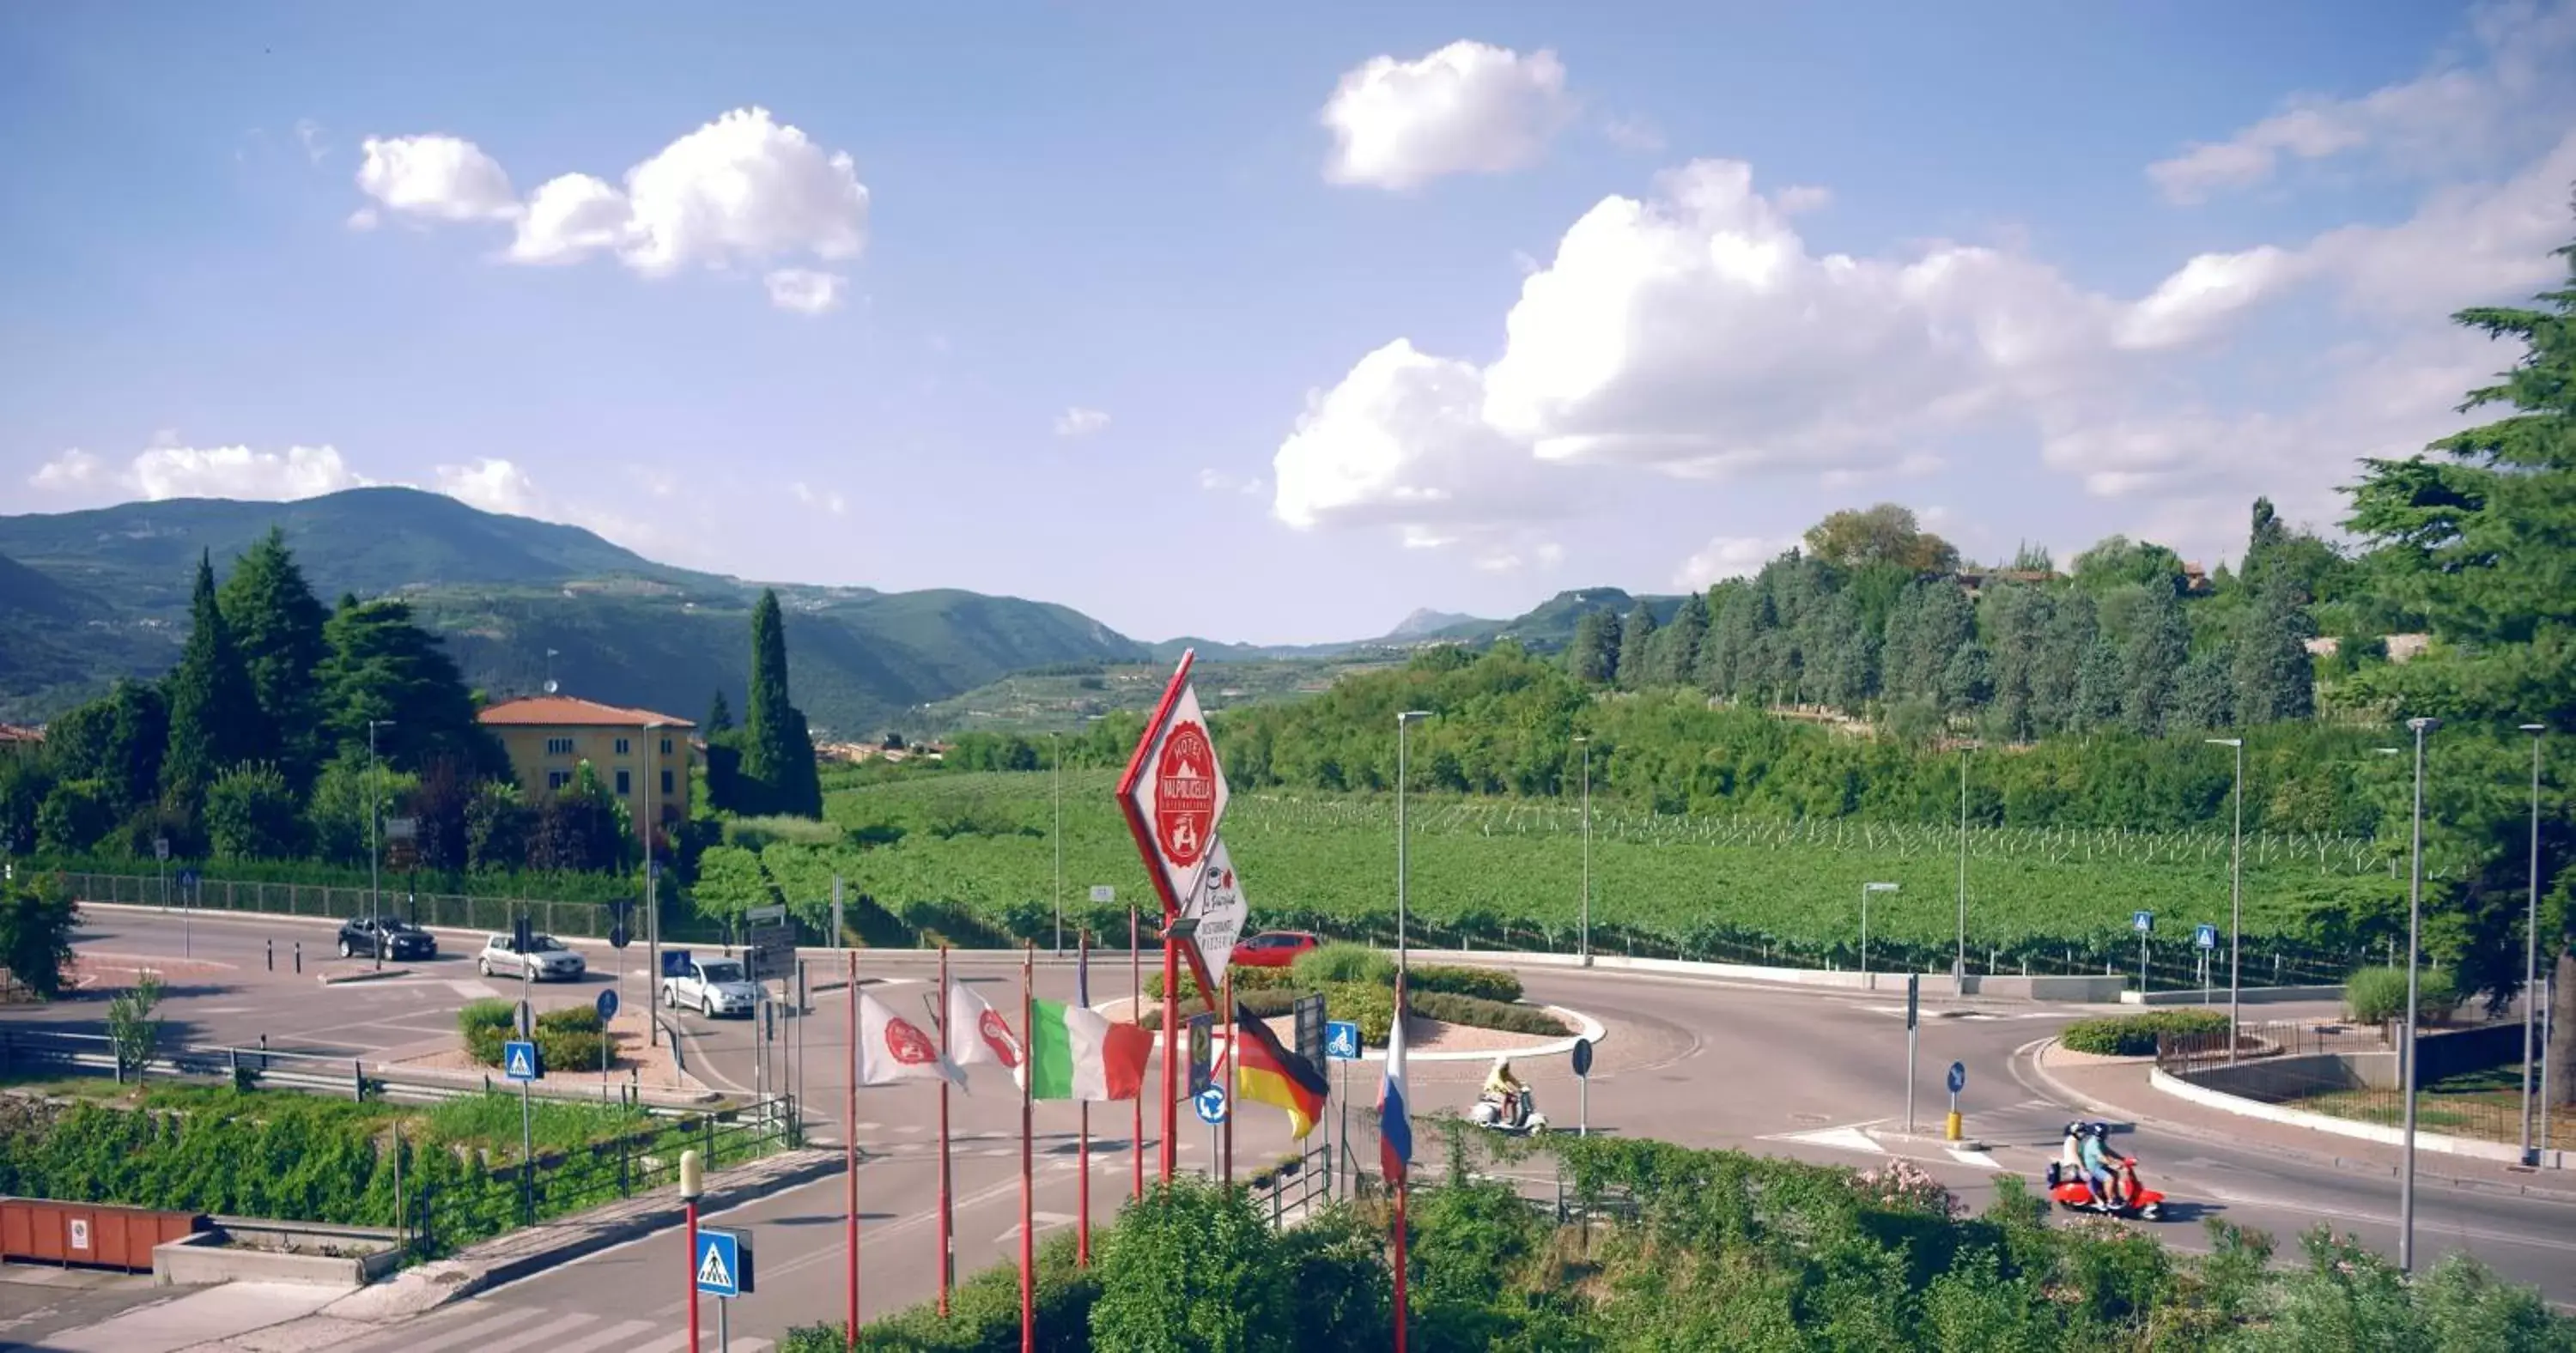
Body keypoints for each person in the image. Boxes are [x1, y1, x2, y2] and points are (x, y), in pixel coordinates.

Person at [2080, 1121, 2127, 1209]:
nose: (2107, 1134)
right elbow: (2102, 1158)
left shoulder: (2099, 1141)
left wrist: (2122, 1158)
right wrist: (2113, 1164)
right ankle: (2110, 1201)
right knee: (2109, 1178)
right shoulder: (2094, 1145)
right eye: (2106, 1133)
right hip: (2093, 1168)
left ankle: (2115, 1196)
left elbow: (2108, 1151)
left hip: (2099, 1165)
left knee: (2116, 1174)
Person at [1483, 1057, 1528, 1125]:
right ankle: (1504, 1117)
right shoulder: (1496, 1073)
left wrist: (1521, 1086)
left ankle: (1515, 1120)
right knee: (1504, 1097)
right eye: (1506, 1065)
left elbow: (1512, 1079)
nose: (1507, 1066)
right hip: (1490, 1092)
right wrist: (1508, 1090)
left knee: (1515, 1099)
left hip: (1499, 1091)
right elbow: (1498, 1083)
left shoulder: (1504, 1072)